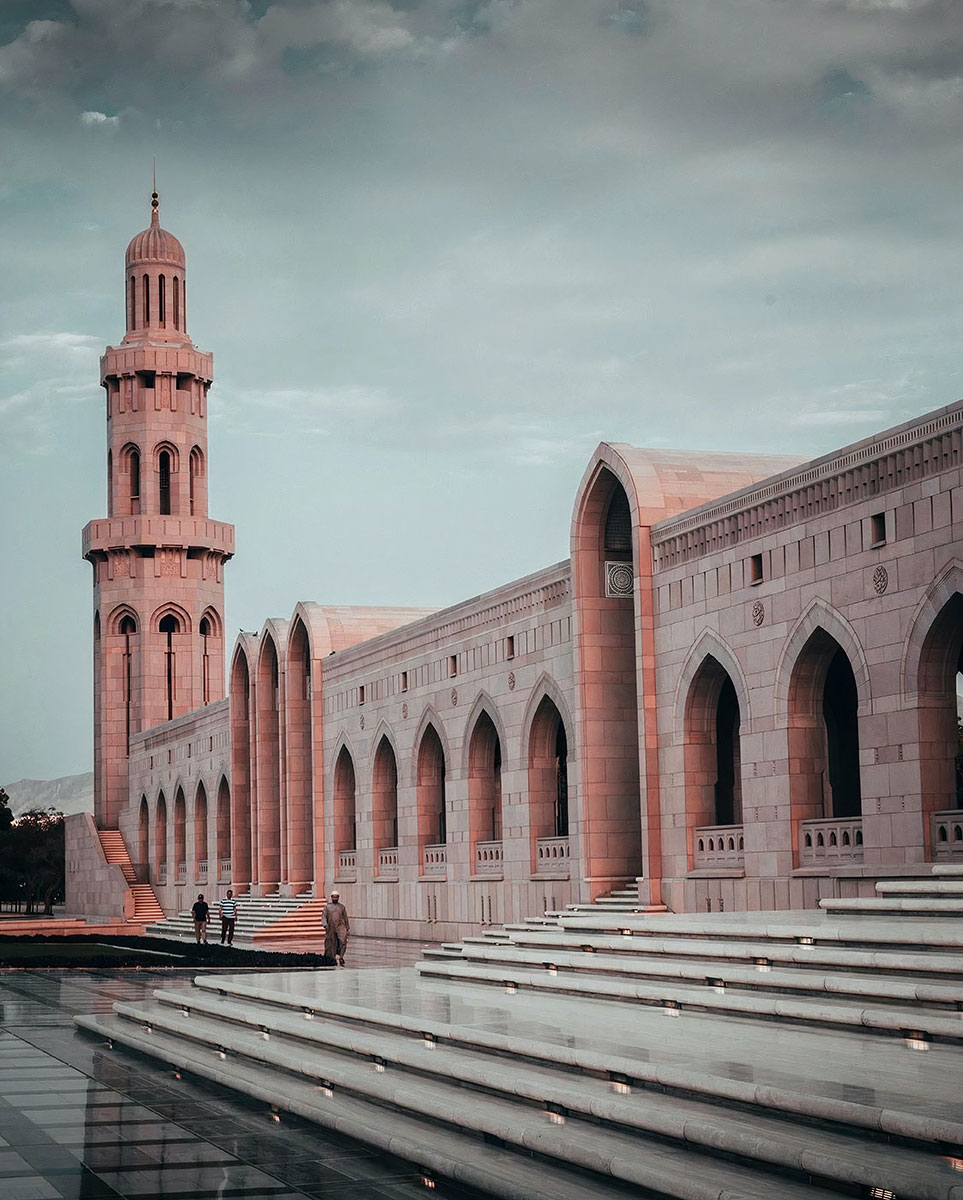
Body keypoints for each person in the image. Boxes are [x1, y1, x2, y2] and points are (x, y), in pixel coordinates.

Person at [322, 890, 349, 966]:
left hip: (340, 926)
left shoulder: (342, 907)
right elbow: (324, 917)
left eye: (336, 897)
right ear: (331, 897)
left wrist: (347, 928)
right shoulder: (327, 907)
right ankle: (332, 958)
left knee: (343, 941)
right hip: (331, 927)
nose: (335, 898)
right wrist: (325, 925)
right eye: (334, 897)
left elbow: (345, 918)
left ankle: (341, 957)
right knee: (331, 943)